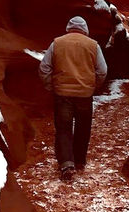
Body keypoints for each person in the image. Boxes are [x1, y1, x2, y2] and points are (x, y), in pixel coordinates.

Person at [39, 16, 107, 182]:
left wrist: (51, 86)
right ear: (85, 29)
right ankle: (79, 161)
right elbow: (102, 70)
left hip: (62, 94)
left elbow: (44, 67)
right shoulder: (93, 45)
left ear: (69, 28)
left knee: (63, 128)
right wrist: (93, 86)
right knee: (83, 128)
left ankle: (66, 164)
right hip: (84, 94)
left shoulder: (57, 43)